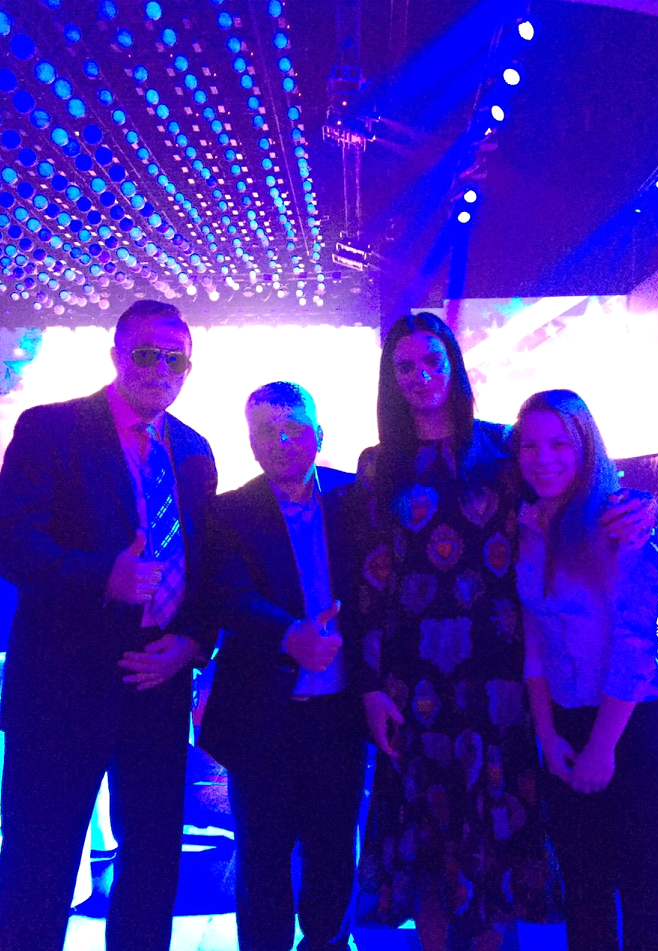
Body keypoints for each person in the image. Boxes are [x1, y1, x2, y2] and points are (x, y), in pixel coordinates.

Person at [0, 300, 217, 951]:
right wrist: (105, 575)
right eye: (146, 353)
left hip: (158, 681)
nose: (160, 369)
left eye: (175, 359)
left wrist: (192, 642)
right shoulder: (51, 428)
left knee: (152, 864)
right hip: (63, 687)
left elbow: (206, 563)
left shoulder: (194, 450)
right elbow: (12, 540)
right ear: (118, 355)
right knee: (39, 864)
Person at [352, 312, 547, 951]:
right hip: (413, 679)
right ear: (391, 378)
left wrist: (634, 508)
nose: (420, 376)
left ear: (454, 365)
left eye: (432, 361)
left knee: (495, 840)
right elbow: (373, 581)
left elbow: (564, 510)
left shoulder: (505, 451)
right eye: (405, 366)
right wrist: (371, 686)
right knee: (429, 846)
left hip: (496, 670)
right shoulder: (379, 465)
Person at [515, 388, 658, 951]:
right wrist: (548, 735)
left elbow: (633, 648)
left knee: (646, 901)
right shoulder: (528, 525)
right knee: (584, 900)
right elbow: (535, 643)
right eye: (530, 446)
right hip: (566, 728)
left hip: (635, 733)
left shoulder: (620, 524)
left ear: (586, 447)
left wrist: (601, 748)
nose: (543, 459)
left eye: (559, 444)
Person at [198, 381, 368, 951]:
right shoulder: (228, 512)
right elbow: (231, 595)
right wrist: (291, 636)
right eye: (266, 430)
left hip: (340, 713)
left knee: (334, 848)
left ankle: (328, 942)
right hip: (261, 712)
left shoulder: (356, 499)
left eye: (293, 427)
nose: (281, 440)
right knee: (261, 857)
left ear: (319, 433)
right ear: (250, 442)